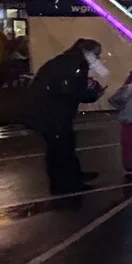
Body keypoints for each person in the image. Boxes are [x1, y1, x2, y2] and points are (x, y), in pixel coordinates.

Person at [21, 37, 107, 194]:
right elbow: (70, 90)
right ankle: (64, 184)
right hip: (51, 112)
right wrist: (92, 94)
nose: (98, 58)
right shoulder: (74, 64)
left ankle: (72, 176)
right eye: (96, 54)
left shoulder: (69, 61)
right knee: (60, 147)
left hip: (50, 110)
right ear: (87, 52)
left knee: (65, 143)